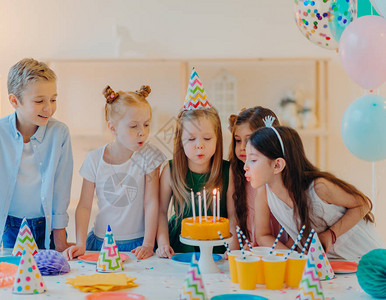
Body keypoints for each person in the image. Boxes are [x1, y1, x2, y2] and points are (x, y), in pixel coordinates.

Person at [245, 121, 385, 260]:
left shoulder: (319, 187)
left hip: (367, 258)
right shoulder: (264, 192)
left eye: (253, 160)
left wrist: (331, 234)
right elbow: (263, 235)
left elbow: (363, 204)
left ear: (277, 165)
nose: (245, 166)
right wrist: (292, 257)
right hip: (332, 266)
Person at [0, 58, 73, 255]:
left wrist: (60, 239)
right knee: (15, 280)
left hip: (46, 228)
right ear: (14, 101)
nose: (49, 108)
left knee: (51, 279)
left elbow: (61, 187)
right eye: (39, 101)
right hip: (10, 227)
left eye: (53, 99)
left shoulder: (60, 133)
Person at [63, 85, 165, 261]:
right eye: (134, 126)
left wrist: (149, 243)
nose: (143, 132)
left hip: (139, 245)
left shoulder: (149, 156)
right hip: (101, 242)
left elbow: (151, 202)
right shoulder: (94, 159)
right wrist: (80, 243)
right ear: (113, 127)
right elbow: (85, 206)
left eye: (147, 124)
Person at [156, 68, 232, 258]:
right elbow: (160, 211)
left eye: (207, 138)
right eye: (191, 139)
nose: (199, 146)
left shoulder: (228, 171)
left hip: (219, 248)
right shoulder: (170, 171)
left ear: (218, 139)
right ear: (180, 141)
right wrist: (163, 243)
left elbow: (235, 216)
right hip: (179, 247)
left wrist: (234, 247)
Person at [227, 107, 288, 249]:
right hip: (252, 247)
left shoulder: (280, 174)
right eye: (237, 140)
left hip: (283, 247)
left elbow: (297, 224)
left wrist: (290, 252)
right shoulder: (235, 172)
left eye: (249, 141)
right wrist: (234, 250)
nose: (242, 147)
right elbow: (233, 217)